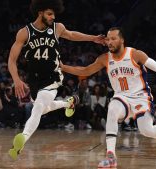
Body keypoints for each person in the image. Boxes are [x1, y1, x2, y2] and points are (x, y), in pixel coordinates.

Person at [60, 27, 156, 168]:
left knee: (147, 130)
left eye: (113, 38)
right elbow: (85, 70)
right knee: (112, 110)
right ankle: (111, 156)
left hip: (140, 96)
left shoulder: (135, 54)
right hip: (121, 97)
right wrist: (63, 67)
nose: (110, 42)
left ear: (122, 40)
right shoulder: (104, 59)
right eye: (108, 39)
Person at [8, 0, 105, 160]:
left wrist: (93, 38)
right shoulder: (24, 32)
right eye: (49, 13)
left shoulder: (57, 27)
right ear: (40, 12)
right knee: (43, 108)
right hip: (34, 79)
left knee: (38, 107)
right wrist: (17, 80)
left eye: (54, 13)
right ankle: (69, 103)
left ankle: (22, 139)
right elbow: (11, 60)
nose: (53, 17)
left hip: (53, 76)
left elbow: (72, 35)